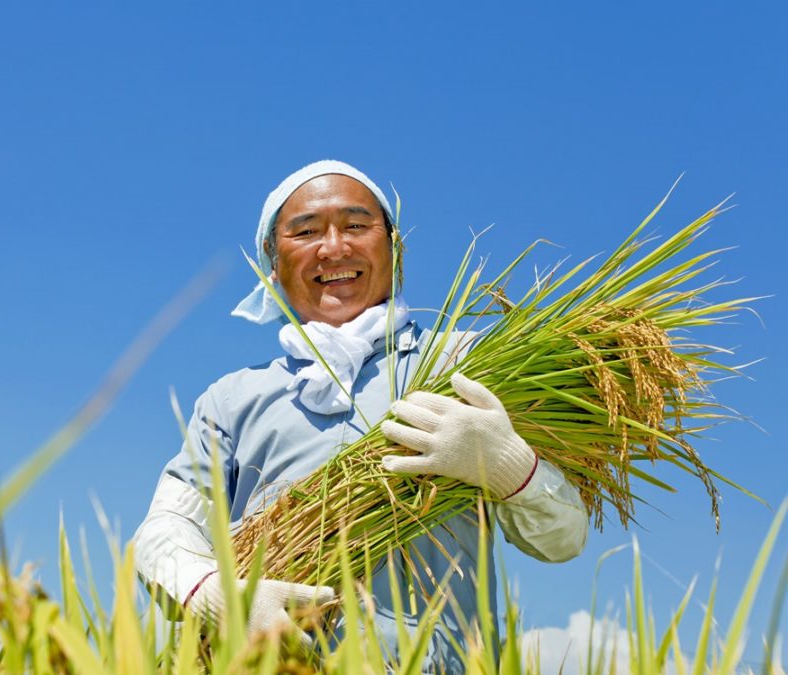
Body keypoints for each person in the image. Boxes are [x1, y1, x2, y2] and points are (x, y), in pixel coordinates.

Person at [133, 160, 588, 671]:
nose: (334, 248)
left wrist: (509, 466)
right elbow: (164, 528)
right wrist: (212, 592)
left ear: (393, 247)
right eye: (305, 232)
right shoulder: (232, 399)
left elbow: (563, 540)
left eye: (355, 226)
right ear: (272, 261)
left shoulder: (464, 362)